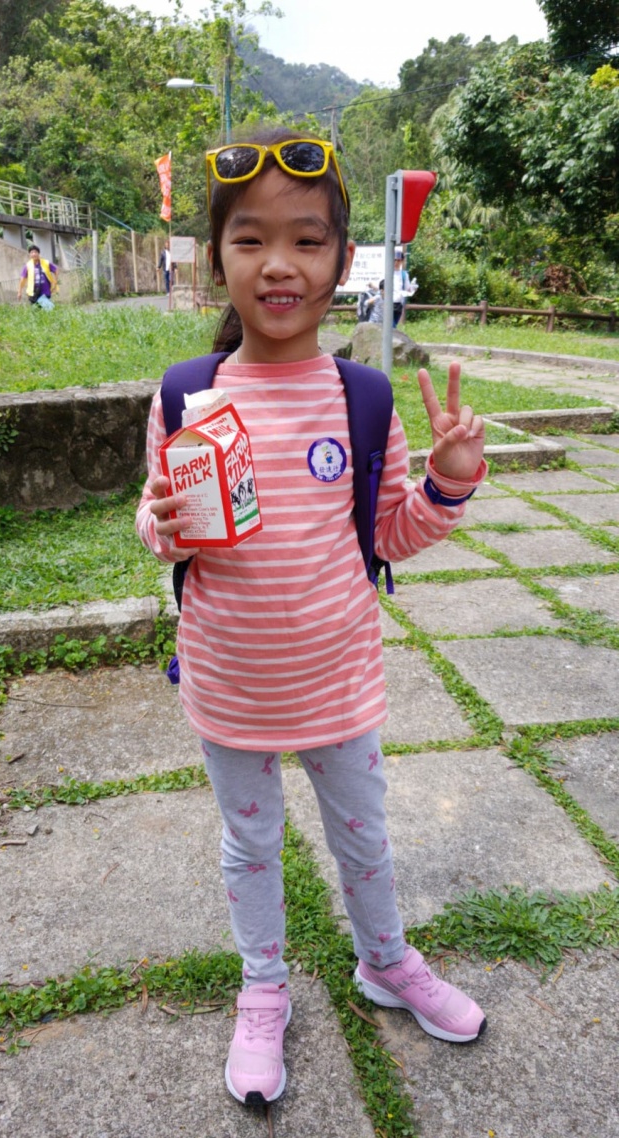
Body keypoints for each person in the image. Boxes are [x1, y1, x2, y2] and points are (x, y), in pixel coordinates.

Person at [136, 127, 487, 1109]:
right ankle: (263, 988)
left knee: (364, 840)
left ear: (342, 259)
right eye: (250, 239)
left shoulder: (362, 397)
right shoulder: (188, 394)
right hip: (230, 683)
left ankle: (386, 960)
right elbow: (158, 525)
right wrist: (162, 524)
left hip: (337, 685)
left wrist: (448, 484)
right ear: (218, 261)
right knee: (249, 849)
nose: (279, 264)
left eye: (306, 240)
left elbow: (390, 533)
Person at [392, 247, 411, 327]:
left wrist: (412, 288)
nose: (396, 262)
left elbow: (408, 289)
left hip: (399, 304)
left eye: (398, 260)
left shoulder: (404, 274)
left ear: (402, 261)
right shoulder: (387, 273)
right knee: (391, 326)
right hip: (388, 304)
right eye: (394, 260)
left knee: (394, 326)